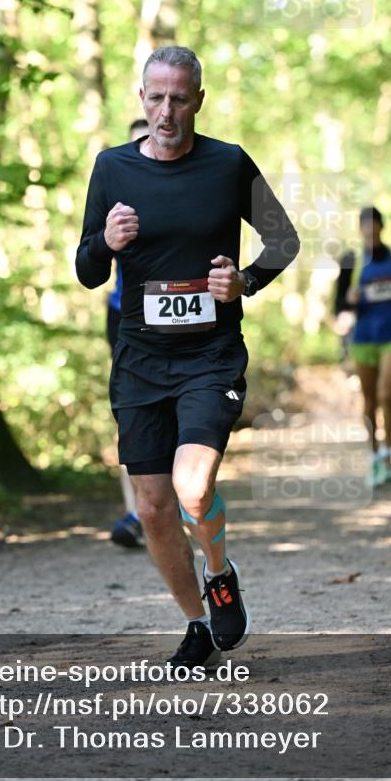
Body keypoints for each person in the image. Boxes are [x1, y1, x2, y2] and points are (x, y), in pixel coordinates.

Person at [76, 46, 299, 668]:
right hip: (140, 360)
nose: (166, 111)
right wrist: (105, 241)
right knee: (152, 507)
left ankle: (219, 572)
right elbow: (88, 270)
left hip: (211, 355)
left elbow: (283, 240)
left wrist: (245, 281)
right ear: (141, 98)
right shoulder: (112, 167)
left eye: (179, 98)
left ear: (198, 99)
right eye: (156, 98)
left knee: (192, 488)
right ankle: (196, 623)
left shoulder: (228, 163)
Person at [334, 207, 391, 487]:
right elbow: (339, 304)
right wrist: (349, 299)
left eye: (374, 225)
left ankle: (387, 452)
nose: (370, 230)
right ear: (360, 229)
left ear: (382, 227)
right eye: (365, 226)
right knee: (369, 401)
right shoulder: (351, 261)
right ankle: (373, 456)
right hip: (364, 338)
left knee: (386, 393)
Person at [110, 119, 149, 549]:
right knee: (129, 414)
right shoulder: (115, 195)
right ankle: (136, 511)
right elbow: (89, 259)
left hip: (184, 323)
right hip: (123, 315)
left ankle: (175, 501)